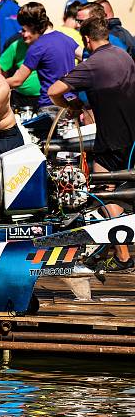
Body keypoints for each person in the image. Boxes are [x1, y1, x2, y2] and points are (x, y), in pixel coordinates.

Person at [47, 16, 135, 272]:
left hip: (111, 139)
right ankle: (112, 249)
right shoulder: (123, 55)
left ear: (86, 39)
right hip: (131, 136)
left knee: (104, 190)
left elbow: (54, 91)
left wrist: (73, 105)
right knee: (120, 191)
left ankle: (122, 256)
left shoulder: (92, 64)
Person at [5, 2, 78, 108]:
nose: (24, 34)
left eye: (25, 30)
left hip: (50, 105)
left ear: (32, 26)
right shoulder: (65, 38)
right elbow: (85, 56)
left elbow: (17, 81)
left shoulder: (37, 47)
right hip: (71, 103)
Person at [0, 35, 42, 111]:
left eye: (28, 30)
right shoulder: (17, 45)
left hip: (44, 98)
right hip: (20, 99)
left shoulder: (46, 45)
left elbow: (17, 80)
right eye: (23, 30)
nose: (25, 34)